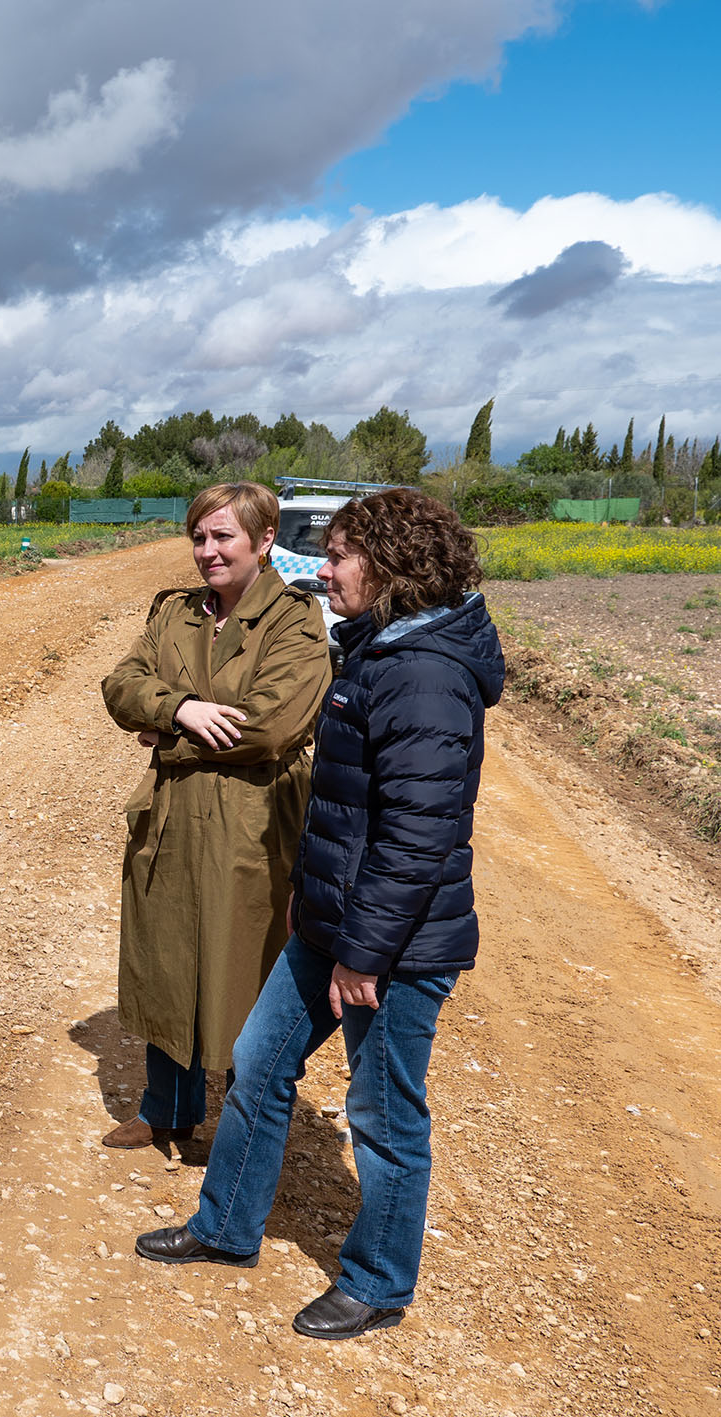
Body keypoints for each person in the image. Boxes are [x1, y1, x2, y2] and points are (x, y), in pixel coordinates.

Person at [136, 487, 503, 1342]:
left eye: (338, 555)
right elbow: (347, 807)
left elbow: (416, 839)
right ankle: (226, 1227)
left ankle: (378, 1280)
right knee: (259, 1061)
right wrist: (313, 898)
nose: (322, 568)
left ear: (392, 567)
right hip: (333, 924)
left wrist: (364, 956)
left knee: (382, 1112)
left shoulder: (425, 674)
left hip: (396, 947)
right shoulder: (381, 650)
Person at [100, 483, 331, 1151]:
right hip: (173, 816)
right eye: (199, 537)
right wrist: (181, 709)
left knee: (247, 972)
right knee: (169, 964)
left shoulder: (295, 619)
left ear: (263, 541)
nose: (207, 551)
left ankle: (244, 1128)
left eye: (222, 536)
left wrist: (163, 729)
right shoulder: (175, 612)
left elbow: (268, 726)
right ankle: (165, 1108)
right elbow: (120, 685)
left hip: (254, 821)